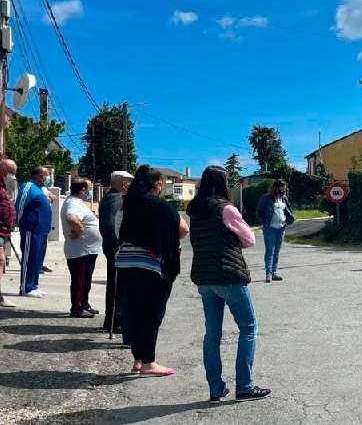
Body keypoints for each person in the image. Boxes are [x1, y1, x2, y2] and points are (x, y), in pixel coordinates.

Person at [188, 165, 271, 403]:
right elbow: (250, 239)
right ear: (223, 184)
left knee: (212, 334)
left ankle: (216, 388)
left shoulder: (195, 210)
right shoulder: (226, 209)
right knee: (248, 328)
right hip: (229, 276)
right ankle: (244, 386)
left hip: (204, 278)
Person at [116, 165, 189, 377]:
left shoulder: (127, 205)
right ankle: (149, 363)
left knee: (135, 310)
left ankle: (138, 359)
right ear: (156, 184)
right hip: (151, 265)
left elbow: (117, 230)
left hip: (126, 263)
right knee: (152, 312)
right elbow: (183, 229)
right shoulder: (161, 206)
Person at [61, 178, 103, 318]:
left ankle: (84, 304)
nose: (89, 192)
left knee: (85, 279)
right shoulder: (73, 202)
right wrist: (78, 229)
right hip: (81, 250)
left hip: (87, 249)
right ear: (82, 190)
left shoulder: (77, 202)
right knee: (80, 280)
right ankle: (77, 307)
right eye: (89, 189)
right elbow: (72, 218)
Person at [99, 170, 134, 334]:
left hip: (112, 246)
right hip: (115, 247)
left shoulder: (111, 196)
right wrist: (115, 245)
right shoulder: (116, 198)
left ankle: (112, 319)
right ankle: (115, 320)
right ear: (122, 183)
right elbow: (110, 224)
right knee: (117, 285)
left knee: (116, 284)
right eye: (129, 181)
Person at [15, 166, 52, 298]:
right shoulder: (28, 186)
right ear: (38, 175)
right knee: (29, 257)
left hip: (41, 230)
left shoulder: (40, 189)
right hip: (31, 228)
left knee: (37, 259)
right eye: (46, 175)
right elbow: (20, 204)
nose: (48, 178)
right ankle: (26, 287)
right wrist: (16, 222)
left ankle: (33, 285)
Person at [256, 179, 292, 283]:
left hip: (281, 228)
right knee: (270, 251)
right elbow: (259, 212)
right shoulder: (266, 198)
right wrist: (265, 222)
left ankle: (274, 272)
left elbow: (289, 210)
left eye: (285, 189)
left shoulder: (284, 199)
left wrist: (287, 221)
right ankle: (268, 273)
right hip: (270, 228)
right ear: (276, 188)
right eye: (282, 188)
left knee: (277, 251)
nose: (284, 191)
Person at [0, 159, 17, 307]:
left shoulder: (3, 185)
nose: (13, 175)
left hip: (4, 231)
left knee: (1, 261)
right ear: (4, 169)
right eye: (11, 172)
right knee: (0, 260)